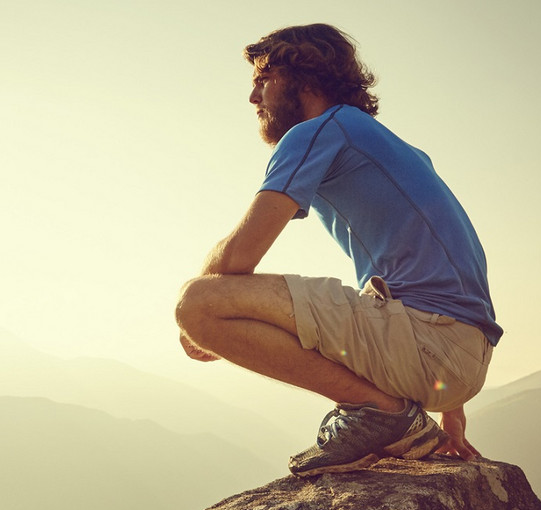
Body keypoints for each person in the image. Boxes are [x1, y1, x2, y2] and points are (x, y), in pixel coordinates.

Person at [175, 24, 502, 477]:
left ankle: (377, 411)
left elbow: (236, 260)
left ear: (306, 79)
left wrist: (199, 325)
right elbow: (457, 270)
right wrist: (453, 403)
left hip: (428, 342)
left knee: (198, 304)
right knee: (222, 304)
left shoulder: (318, 131)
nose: (254, 99)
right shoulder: (390, 144)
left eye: (263, 82)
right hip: (460, 353)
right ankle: (388, 414)